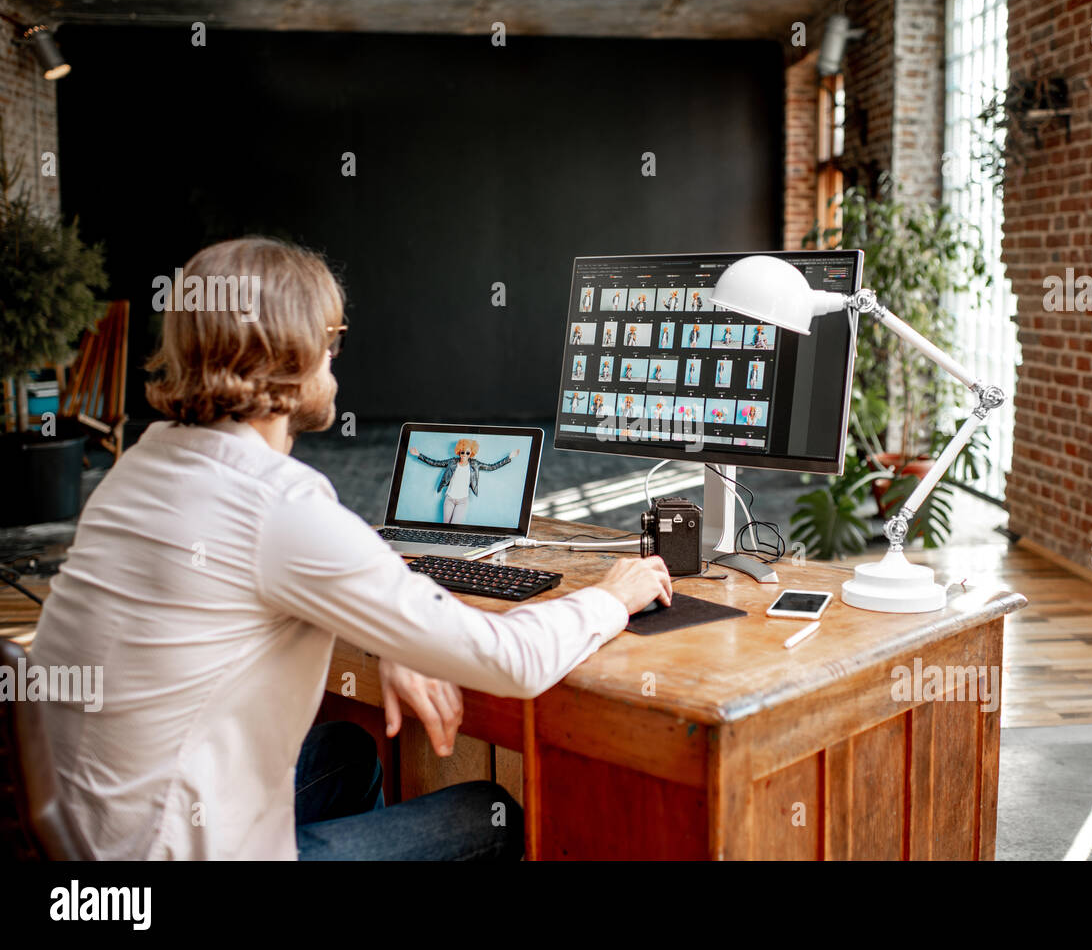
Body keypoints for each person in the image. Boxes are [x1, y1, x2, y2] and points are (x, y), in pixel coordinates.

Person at [28, 237, 671, 861]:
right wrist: (613, 596)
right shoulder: (278, 504)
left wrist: (393, 630)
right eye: (331, 343)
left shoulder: (138, 467)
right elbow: (512, 661)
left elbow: (261, 570)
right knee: (486, 814)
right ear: (295, 356)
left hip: (94, 851)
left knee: (343, 750)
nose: (335, 360)